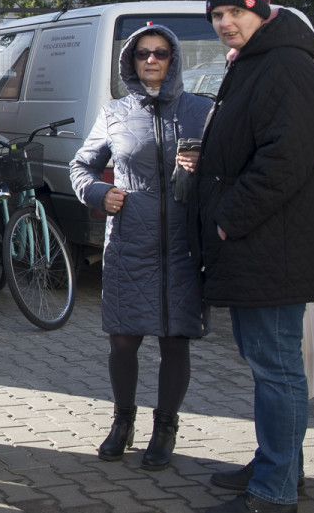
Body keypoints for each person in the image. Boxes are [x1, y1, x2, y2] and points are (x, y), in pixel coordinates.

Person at [195, 0, 314, 513]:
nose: (225, 22)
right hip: (264, 244)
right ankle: (281, 464)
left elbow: (284, 159)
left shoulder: (284, 64)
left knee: (278, 370)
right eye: (217, 14)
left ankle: (275, 491)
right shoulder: (256, 59)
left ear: (261, 11)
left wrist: (230, 216)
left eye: (236, 11)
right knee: (270, 367)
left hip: (271, 244)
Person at [70, 25, 212, 470]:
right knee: (124, 340)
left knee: (175, 341)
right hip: (130, 243)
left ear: (174, 60)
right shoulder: (114, 113)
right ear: (130, 61)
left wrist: (205, 165)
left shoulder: (201, 111)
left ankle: (166, 426)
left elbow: (231, 169)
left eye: (161, 53)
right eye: (142, 54)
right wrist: (98, 193)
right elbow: (81, 166)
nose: (151, 60)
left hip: (182, 247)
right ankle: (122, 422)